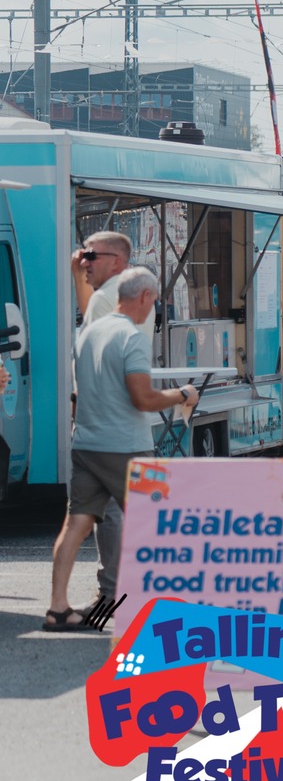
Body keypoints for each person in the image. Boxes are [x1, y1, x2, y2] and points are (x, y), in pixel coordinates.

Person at [47, 268, 195, 631]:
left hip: (85, 442)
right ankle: (166, 613)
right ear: (144, 296)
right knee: (158, 524)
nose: (154, 308)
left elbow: (79, 392)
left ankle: (58, 608)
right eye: (155, 300)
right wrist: (183, 394)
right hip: (125, 446)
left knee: (76, 524)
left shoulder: (86, 332)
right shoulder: (132, 337)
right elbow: (142, 398)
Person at [72, 230, 133, 331]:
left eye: (91, 256)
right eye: (84, 256)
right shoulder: (138, 295)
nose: (84, 263)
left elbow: (95, 340)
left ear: (116, 262)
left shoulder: (103, 298)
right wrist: (80, 276)